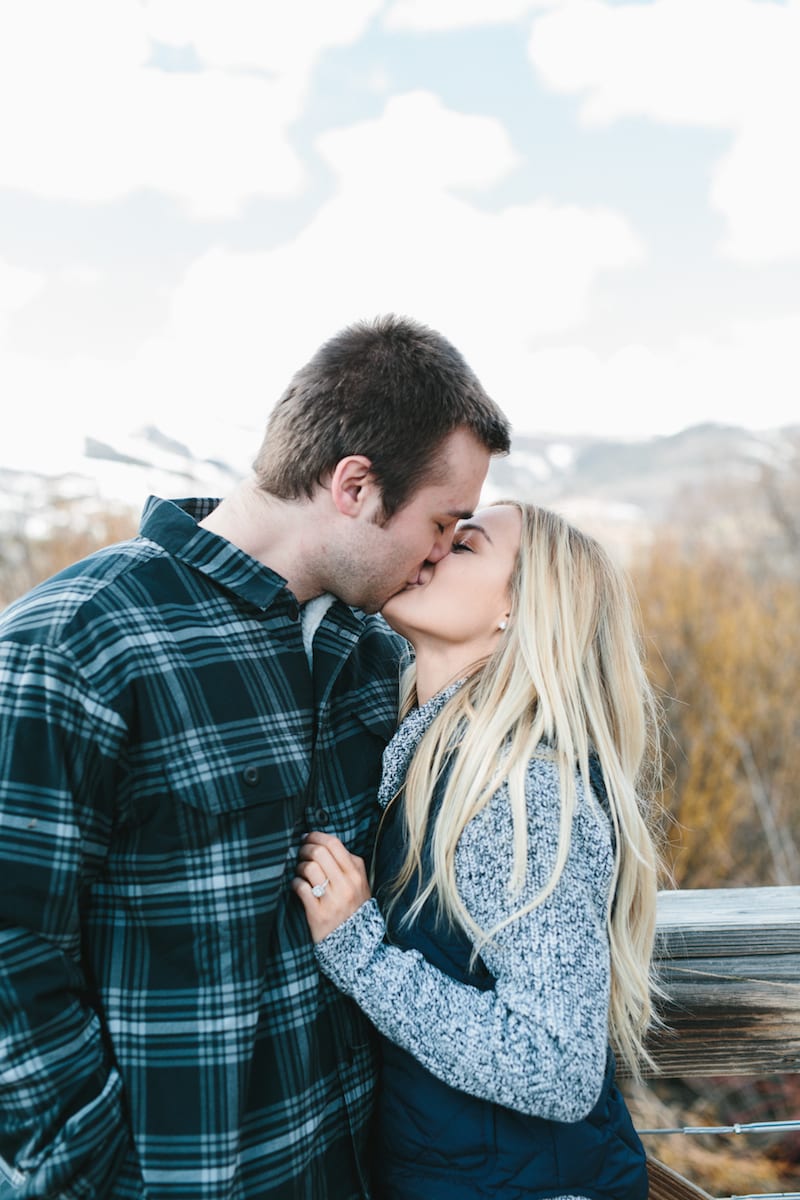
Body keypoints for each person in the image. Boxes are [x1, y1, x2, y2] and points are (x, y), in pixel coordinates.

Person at [0, 315, 510, 1199]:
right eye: (441, 522)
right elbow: (12, 947)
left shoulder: (375, 653)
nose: (438, 553)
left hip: (351, 1168)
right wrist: (82, 1168)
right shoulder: (76, 645)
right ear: (355, 486)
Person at [294, 502, 663, 1200]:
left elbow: (556, 1066)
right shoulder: (435, 753)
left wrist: (362, 956)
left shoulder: (518, 791)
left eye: (463, 548)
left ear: (518, 611)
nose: (429, 552)